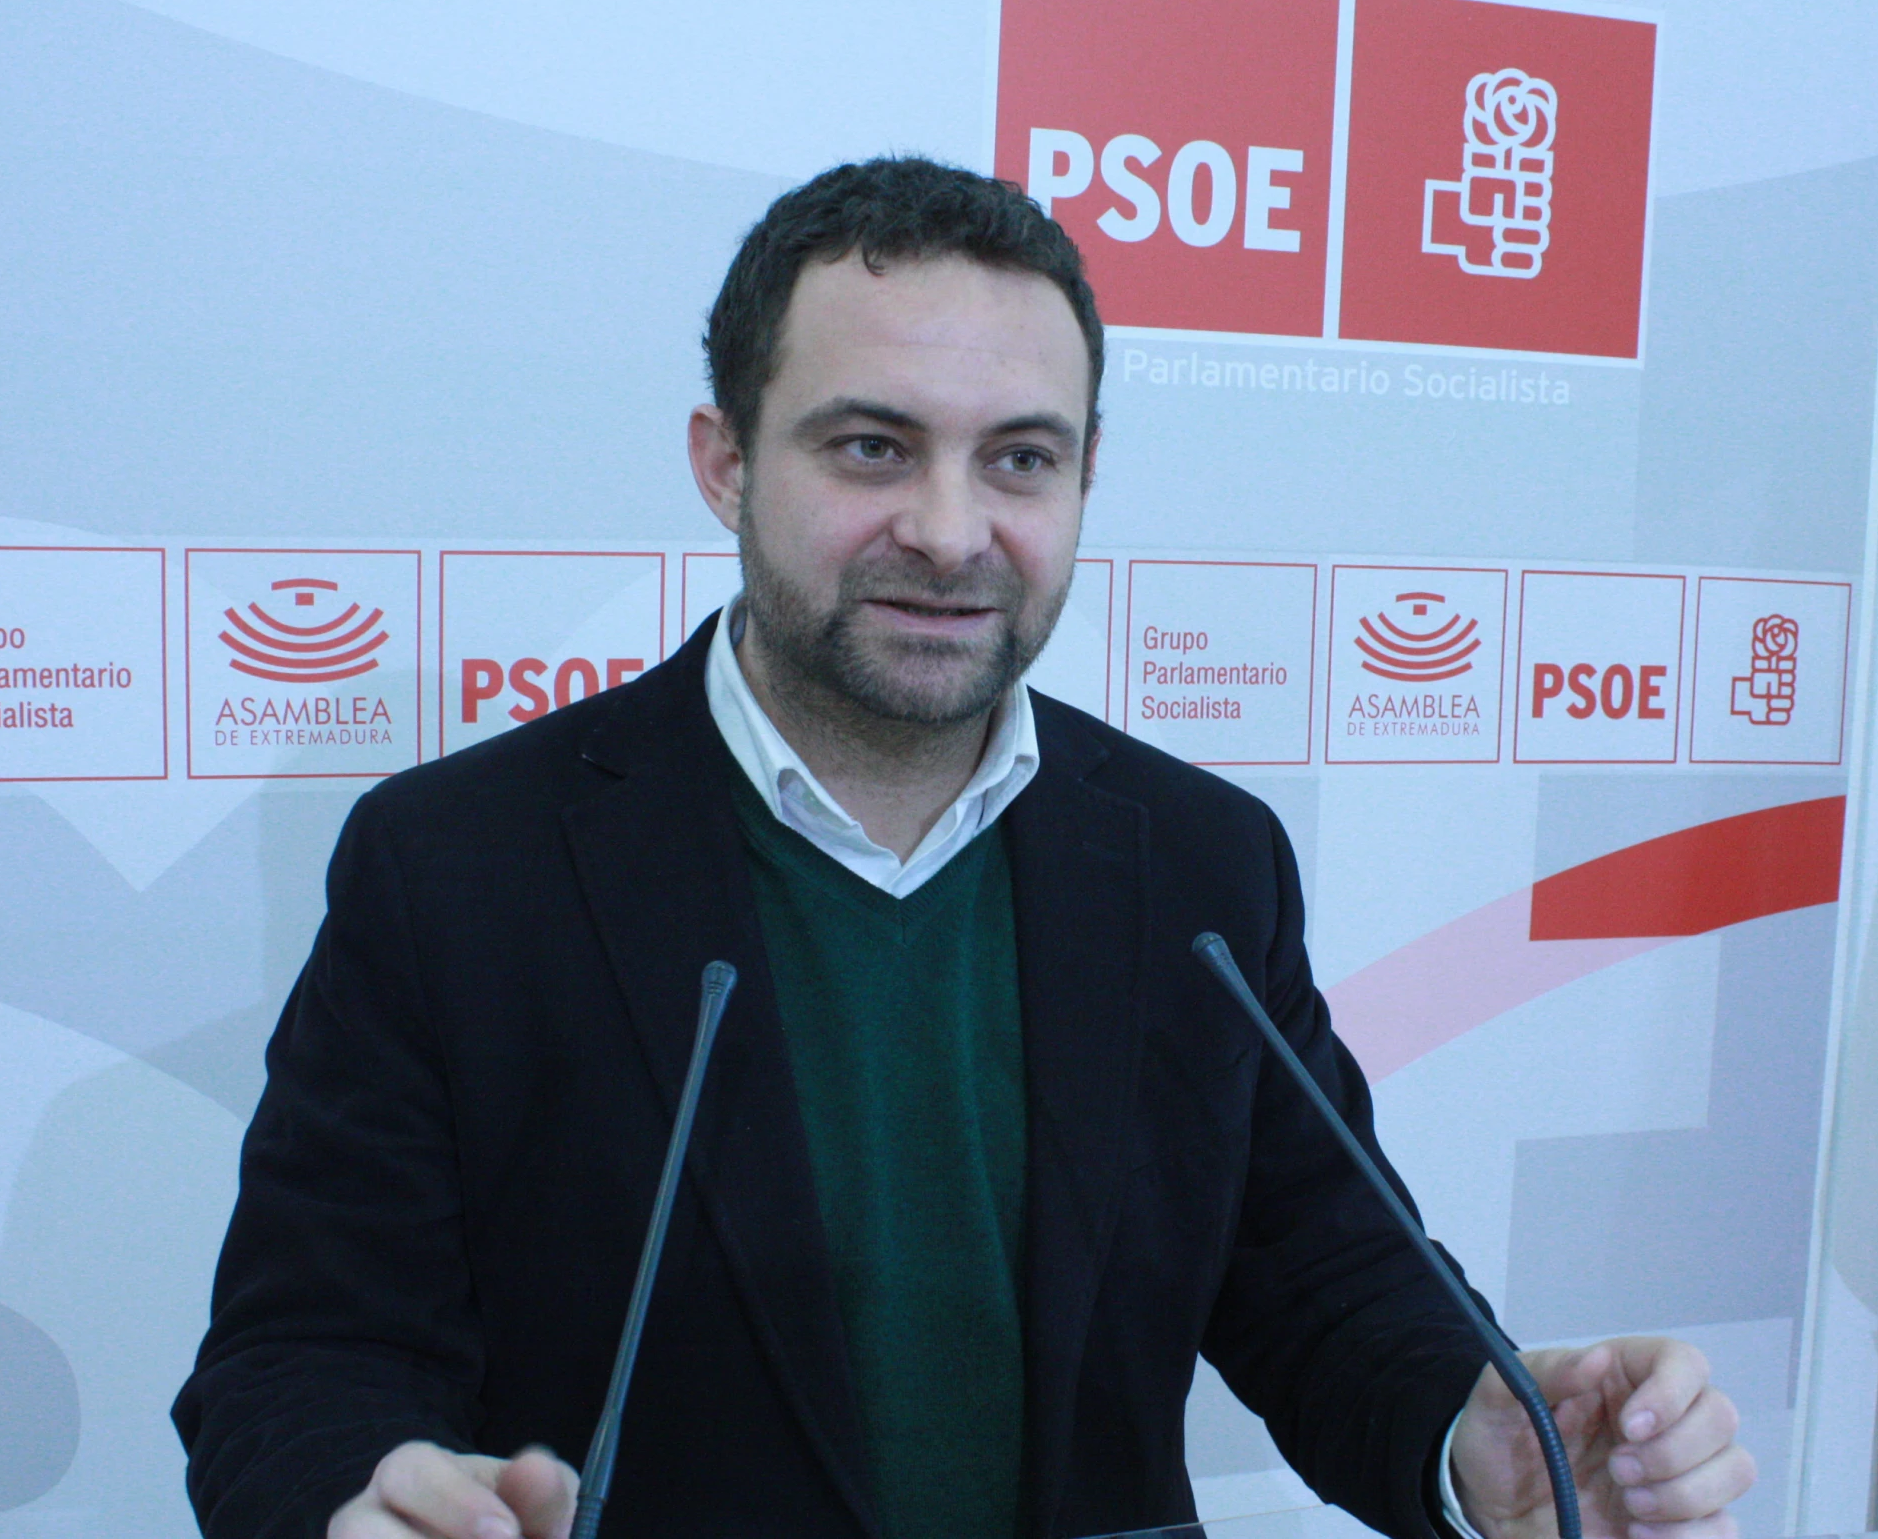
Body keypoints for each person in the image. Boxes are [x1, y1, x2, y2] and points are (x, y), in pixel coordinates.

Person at [173, 157, 1756, 1539]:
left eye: (1020, 456)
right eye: (871, 447)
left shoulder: (1200, 864)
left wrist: (1471, 1438)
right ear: (725, 461)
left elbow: (1320, 1279)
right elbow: (299, 1356)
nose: (950, 526)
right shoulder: (459, 866)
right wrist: (354, 1496)